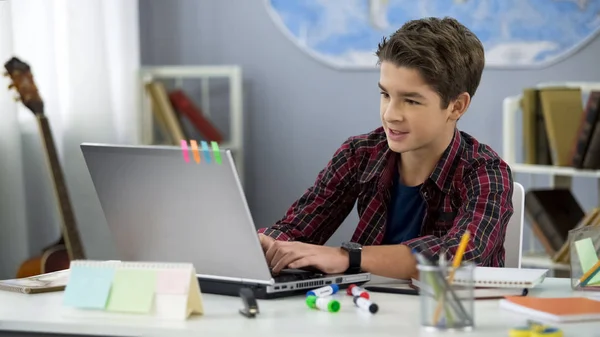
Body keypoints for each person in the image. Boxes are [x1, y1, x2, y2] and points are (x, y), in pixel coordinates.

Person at [257, 16, 514, 279]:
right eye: (386, 95)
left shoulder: (487, 172)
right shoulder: (359, 154)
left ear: (456, 106)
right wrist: (265, 245)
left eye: (411, 101)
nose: (391, 115)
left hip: (450, 317)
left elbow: (463, 254)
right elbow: (296, 230)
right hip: (371, 311)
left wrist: (347, 257)